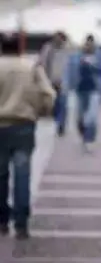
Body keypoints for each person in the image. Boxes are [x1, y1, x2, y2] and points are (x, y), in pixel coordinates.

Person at [0, 33, 56, 239]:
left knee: (1, 175)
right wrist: (40, 110)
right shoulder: (31, 67)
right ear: (19, 47)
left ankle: (2, 220)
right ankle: (21, 223)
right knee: (22, 174)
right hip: (24, 124)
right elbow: (48, 94)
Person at [66, 34, 101, 153]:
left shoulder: (99, 56)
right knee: (80, 117)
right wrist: (68, 85)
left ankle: (90, 138)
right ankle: (83, 135)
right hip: (79, 89)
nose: (89, 46)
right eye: (87, 44)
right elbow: (70, 71)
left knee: (91, 117)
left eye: (91, 44)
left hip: (94, 89)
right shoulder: (76, 56)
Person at [38, 31, 71, 136]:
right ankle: (56, 121)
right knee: (54, 104)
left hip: (62, 82)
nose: (57, 40)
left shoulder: (68, 50)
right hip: (50, 81)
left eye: (60, 39)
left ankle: (61, 125)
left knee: (63, 104)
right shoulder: (48, 48)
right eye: (56, 38)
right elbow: (42, 63)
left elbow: (69, 66)